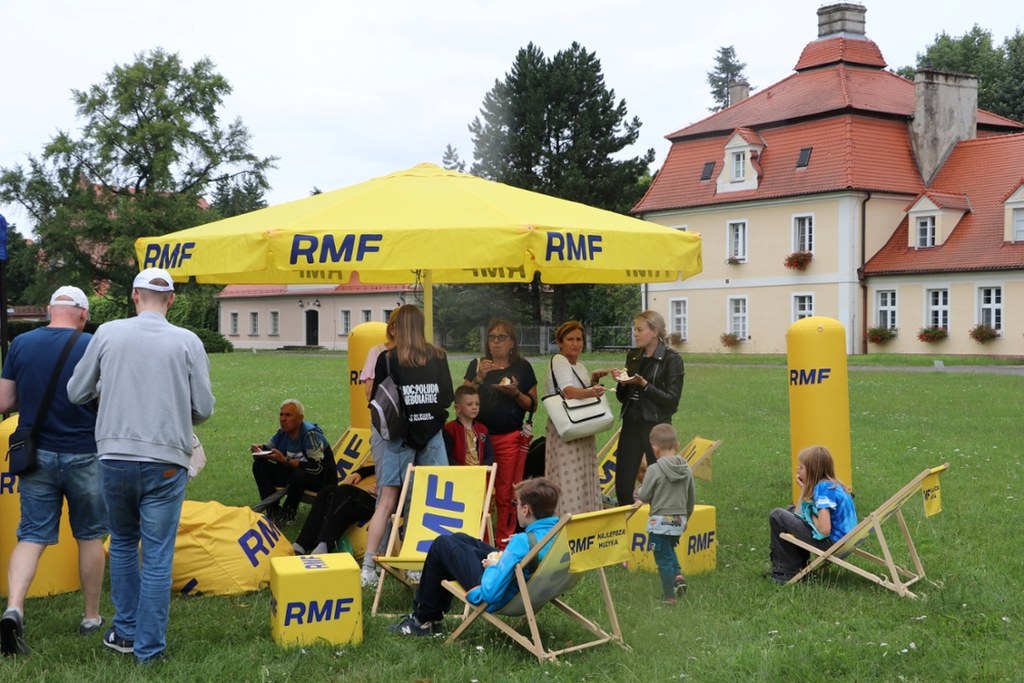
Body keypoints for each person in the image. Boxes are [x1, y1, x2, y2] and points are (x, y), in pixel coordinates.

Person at [67, 268, 215, 663]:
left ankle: (126, 631)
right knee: (157, 555)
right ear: (171, 300)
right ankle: (149, 649)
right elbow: (203, 408)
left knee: (122, 543)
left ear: (135, 295)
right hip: (166, 459)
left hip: (115, 456)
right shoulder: (187, 341)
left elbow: (76, 391)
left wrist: (107, 390)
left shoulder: (107, 333)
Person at [0, 286, 105, 656]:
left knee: (31, 535)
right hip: (85, 453)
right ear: (83, 313)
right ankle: (91, 617)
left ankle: (14, 608)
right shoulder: (93, 344)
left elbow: (4, 401)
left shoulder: (21, 343)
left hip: (35, 454)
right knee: (90, 535)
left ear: (49, 310)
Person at [389, 477, 561, 636]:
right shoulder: (556, 534)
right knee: (460, 539)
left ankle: (421, 620)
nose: (514, 506)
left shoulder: (522, 542)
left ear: (525, 509)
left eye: (516, 503)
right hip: (528, 588)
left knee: (442, 544)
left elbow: (490, 594)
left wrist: (493, 565)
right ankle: (431, 617)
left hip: (502, 593)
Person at [360, 304, 454, 587]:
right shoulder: (438, 356)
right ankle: (418, 565)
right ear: (422, 326)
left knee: (387, 501)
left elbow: (377, 400)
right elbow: (447, 397)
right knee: (426, 501)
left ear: (397, 327)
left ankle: (368, 567)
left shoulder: (387, 358)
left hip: (398, 437)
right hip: (432, 436)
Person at [463, 319, 538, 548]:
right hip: (479, 438)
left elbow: (532, 405)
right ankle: (481, 541)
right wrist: (479, 378)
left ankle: (504, 542)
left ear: (512, 342)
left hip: (509, 437)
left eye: (502, 337)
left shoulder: (522, 367)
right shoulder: (477, 364)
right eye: (492, 337)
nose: (496, 342)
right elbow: (463, 399)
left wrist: (515, 393)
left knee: (506, 493)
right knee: (481, 491)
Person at [612, 311, 684, 507]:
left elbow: (672, 401)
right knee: (623, 484)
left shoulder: (671, 359)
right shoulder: (633, 356)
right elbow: (622, 397)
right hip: (631, 422)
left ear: (654, 331)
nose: (635, 334)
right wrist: (622, 383)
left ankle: (658, 520)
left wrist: (644, 385)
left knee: (660, 482)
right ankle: (627, 519)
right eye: (634, 329)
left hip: (656, 426)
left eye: (639, 329)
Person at [543, 321, 609, 517]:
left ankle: (584, 516)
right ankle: (568, 518)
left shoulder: (579, 365)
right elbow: (568, 392)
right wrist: (592, 391)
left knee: (583, 476)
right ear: (560, 342)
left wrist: (593, 382)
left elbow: (581, 393)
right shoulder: (559, 360)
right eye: (570, 339)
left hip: (581, 427)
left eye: (578, 339)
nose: (575, 344)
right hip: (568, 427)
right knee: (569, 478)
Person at [767, 445, 858, 585]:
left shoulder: (823, 489)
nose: (797, 470)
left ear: (812, 470)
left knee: (777, 515)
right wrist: (804, 490)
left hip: (831, 545)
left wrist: (809, 515)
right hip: (844, 543)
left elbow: (824, 529)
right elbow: (797, 514)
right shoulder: (835, 485)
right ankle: (797, 566)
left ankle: (785, 572)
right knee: (790, 510)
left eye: (801, 467)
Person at [634, 424, 694, 605]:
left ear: (654, 449)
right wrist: (687, 518)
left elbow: (644, 496)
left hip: (659, 521)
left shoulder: (654, 469)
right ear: (677, 445)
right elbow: (691, 498)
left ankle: (669, 596)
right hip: (679, 519)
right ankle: (678, 576)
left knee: (663, 558)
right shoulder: (686, 469)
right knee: (669, 550)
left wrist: (639, 490)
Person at [250, 399, 336, 525]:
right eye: (281, 414)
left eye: (288, 415)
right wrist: (259, 451)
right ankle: (273, 511)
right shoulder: (282, 433)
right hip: (294, 476)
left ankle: (288, 513)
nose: (283, 419)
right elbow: (268, 449)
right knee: (259, 466)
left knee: (299, 474)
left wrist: (285, 460)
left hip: (320, 480)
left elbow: (317, 468)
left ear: (300, 418)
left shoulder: (311, 435)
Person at [292, 465, 376, 556]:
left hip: (382, 502)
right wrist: (360, 473)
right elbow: (379, 467)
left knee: (346, 493)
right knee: (327, 491)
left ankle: (324, 547)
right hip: (371, 492)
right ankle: (301, 545)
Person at [442, 385, 494, 467]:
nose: (474, 407)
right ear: (457, 408)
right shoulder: (450, 429)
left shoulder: (483, 429)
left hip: (479, 472)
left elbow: (489, 455)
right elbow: (446, 456)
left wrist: (482, 468)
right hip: (458, 472)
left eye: (477, 404)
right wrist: (462, 470)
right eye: (469, 404)